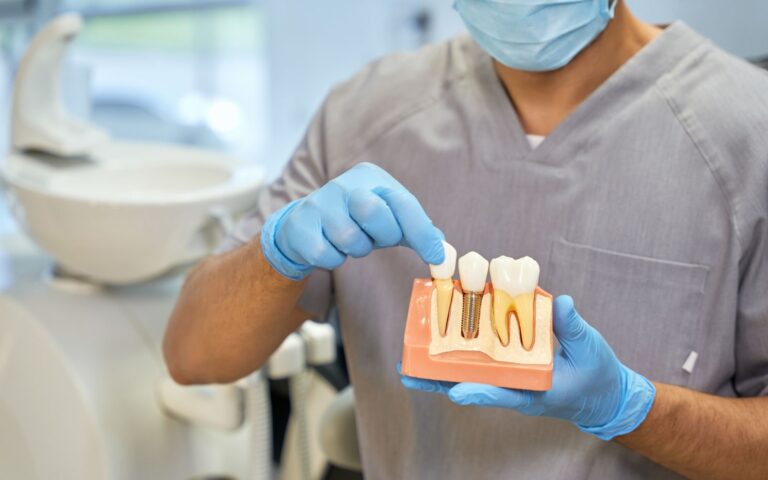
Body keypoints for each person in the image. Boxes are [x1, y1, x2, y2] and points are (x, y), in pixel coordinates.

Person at [163, 0, 768, 478]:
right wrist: (279, 256)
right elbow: (193, 356)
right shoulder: (364, 114)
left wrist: (630, 408)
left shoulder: (747, 133)